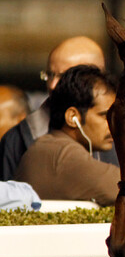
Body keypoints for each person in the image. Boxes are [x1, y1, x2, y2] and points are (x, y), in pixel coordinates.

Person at [0, 36, 118, 181]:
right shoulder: (19, 138)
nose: (53, 85)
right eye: (49, 75)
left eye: (64, 76)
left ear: (99, 77)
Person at [15, 65, 120, 206]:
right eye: (104, 115)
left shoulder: (48, 147)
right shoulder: (61, 156)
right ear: (72, 117)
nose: (113, 124)